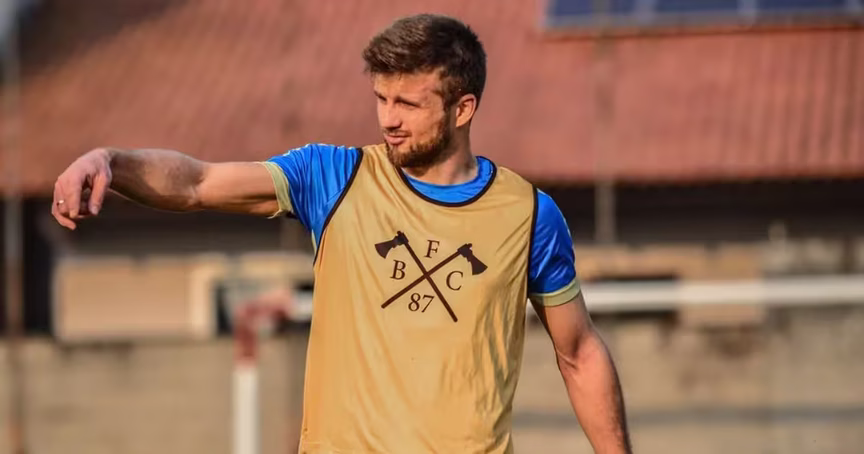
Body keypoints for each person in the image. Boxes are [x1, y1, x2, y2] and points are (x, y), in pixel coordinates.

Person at [52, 13, 631, 454]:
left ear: (463, 109)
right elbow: (197, 183)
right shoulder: (332, 177)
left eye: (408, 103)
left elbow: (579, 352)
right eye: (381, 98)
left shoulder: (529, 214)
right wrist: (111, 162)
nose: (388, 119)